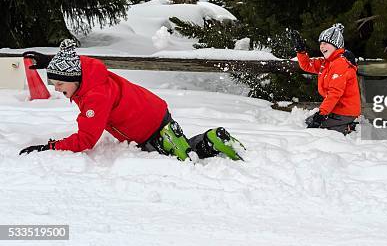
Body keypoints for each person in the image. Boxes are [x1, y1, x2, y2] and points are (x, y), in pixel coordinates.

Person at [19, 39, 244, 161]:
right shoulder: (87, 73)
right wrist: (50, 61)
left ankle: (203, 140)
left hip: (144, 127)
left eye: (59, 84)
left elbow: (86, 139)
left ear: (73, 78)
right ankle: (204, 139)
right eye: (53, 84)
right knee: (180, 149)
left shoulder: (95, 98)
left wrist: (51, 146)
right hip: (152, 110)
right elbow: (76, 64)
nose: (57, 89)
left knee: (181, 159)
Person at [292, 23, 361, 135]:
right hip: (335, 109)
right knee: (309, 122)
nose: (322, 46)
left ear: (336, 45)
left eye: (325, 43)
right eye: (320, 43)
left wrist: (322, 114)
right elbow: (307, 65)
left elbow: (335, 93)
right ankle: (342, 125)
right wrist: (301, 51)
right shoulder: (327, 62)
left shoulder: (340, 64)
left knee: (318, 128)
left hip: (346, 111)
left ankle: (348, 127)